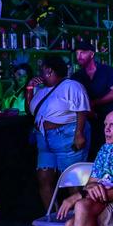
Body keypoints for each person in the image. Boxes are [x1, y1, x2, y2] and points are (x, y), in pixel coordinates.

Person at [27, 56, 91, 210]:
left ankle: (77, 221)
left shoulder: (71, 85)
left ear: (49, 70)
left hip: (66, 135)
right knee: (44, 177)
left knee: (72, 180)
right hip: (44, 137)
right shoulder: (42, 90)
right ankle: (52, 217)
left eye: (41, 69)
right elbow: (30, 109)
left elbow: (82, 109)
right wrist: (29, 88)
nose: (39, 72)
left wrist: (79, 134)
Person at [72, 41, 113, 160]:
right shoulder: (76, 76)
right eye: (77, 53)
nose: (79, 56)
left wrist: (93, 103)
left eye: (83, 53)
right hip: (92, 121)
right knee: (95, 153)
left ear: (92, 54)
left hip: (112, 118)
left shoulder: (107, 70)